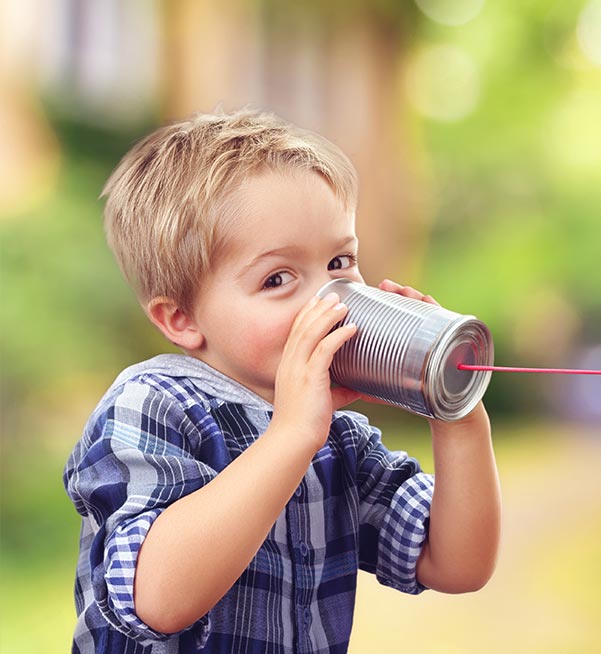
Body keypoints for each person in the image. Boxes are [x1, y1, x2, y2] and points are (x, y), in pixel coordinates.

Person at [63, 110, 502, 653]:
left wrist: (455, 411)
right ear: (182, 319)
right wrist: (291, 436)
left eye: (341, 261)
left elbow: (455, 563)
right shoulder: (155, 404)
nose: (329, 299)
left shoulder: (338, 439)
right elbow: (156, 597)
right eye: (278, 278)